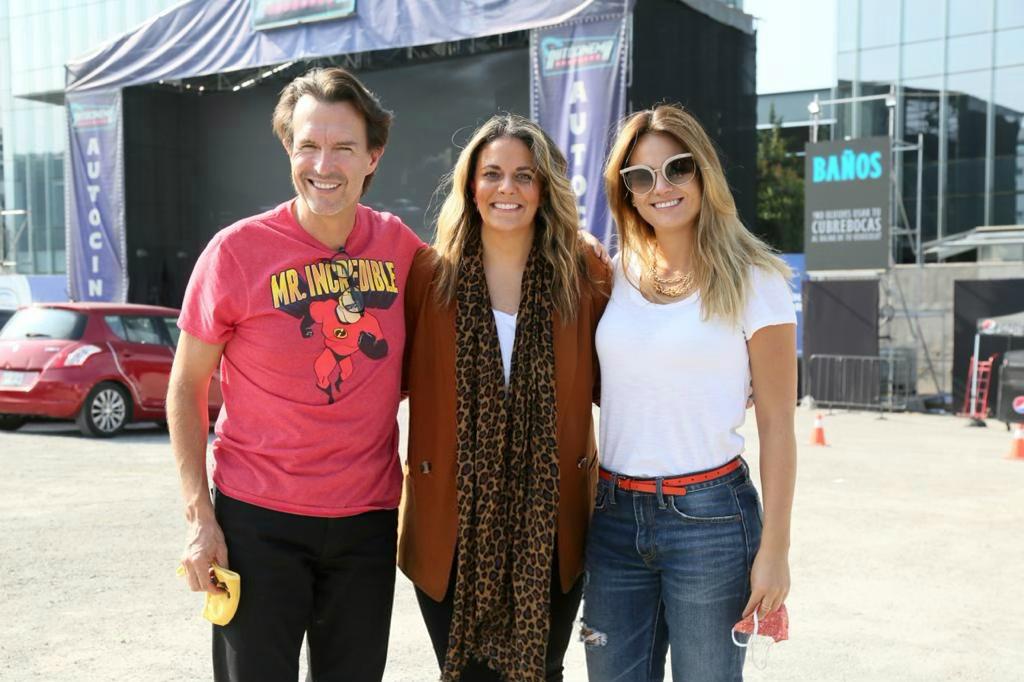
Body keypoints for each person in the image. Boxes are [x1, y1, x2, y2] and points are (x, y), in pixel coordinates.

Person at [168, 67, 424, 682]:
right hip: (257, 520)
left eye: (343, 147)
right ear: (288, 147)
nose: (323, 164)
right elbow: (184, 388)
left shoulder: (401, 248)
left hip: (366, 521)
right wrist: (201, 518)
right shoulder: (236, 252)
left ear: (373, 156)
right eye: (308, 144)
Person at [581, 104, 797, 681]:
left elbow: (778, 423)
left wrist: (775, 550)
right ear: (625, 192)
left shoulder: (757, 278)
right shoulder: (613, 276)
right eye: (640, 176)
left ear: (703, 171)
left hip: (712, 523)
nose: (661, 187)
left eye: (677, 167)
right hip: (612, 519)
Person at [399, 113, 611, 682]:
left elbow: (627, 366)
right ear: (470, 184)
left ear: (545, 188)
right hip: (450, 523)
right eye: (492, 173)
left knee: (542, 671)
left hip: (552, 524)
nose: (507, 188)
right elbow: (376, 378)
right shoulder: (427, 276)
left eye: (524, 175)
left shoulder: (583, 271)